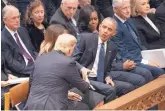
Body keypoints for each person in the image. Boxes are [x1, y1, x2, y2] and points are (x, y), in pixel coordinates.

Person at [73, 17, 141, 103]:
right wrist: (82, 69)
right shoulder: (85, 38)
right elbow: (72, 60)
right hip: (86, 78)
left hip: (101, 79)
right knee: (110, 90)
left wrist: (108, 77)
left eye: (109, 29)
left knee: (129, 87)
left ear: (114, 33)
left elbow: (108, 69)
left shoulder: (112, 47)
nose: (105, 31)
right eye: (104, 27)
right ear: (99, 27)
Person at [23, 33, 90, 110]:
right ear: (70, 48)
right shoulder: (67, 63)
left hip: (31, 106)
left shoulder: (40, 58)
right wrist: (85, 77)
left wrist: (66, 94)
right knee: (85, 107)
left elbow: (32, 81)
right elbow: (83, 87)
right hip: (51, 108)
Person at [111, 0, 164, 79]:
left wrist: (149, 56)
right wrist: (145, 61)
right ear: (115, 9)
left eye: (128, 7)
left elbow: (139, 43)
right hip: (132, 60)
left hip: (142, 55)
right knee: (159, 71)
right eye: (124, 8)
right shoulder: (114, 26)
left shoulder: (128, 20)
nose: (128, 10)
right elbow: (123, 53)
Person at [1, 5, 37, 77]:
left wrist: (41, 61)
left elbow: (32, 50)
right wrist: (33, 70)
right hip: (23, 73)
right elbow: (11, 63)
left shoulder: (22, 30)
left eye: (18, 17)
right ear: (5, 20)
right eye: (14, 18)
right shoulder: (2, 39)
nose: (17, 20)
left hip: (35, 65)